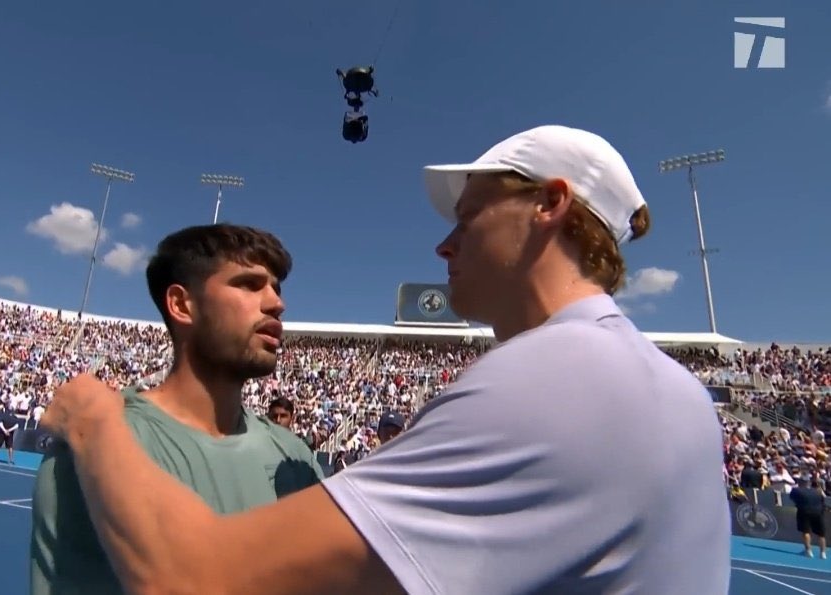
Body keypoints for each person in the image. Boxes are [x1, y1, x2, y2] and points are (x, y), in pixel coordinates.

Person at [40, 124, 730, 594]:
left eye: (470, 213)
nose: (446, 243)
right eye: (250, 285)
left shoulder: (552, 384)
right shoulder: (670, 387)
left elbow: (189, 577)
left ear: (550, 203)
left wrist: (94, 414)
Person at [29, 224, 323, 595]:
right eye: (249, 284)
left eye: (276, 289)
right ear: (182, 304)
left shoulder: (294, 456)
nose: (276, 303)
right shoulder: (91, 448)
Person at [789, 478, 828, 559]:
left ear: (800, 483)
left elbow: (792, 498)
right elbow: (822, 501)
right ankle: (823, 553)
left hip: (804, 512)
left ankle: (808, 550)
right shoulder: (818, 491)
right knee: (821, 534)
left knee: (806, 531)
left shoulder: (796, 490)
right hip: (818, 513)